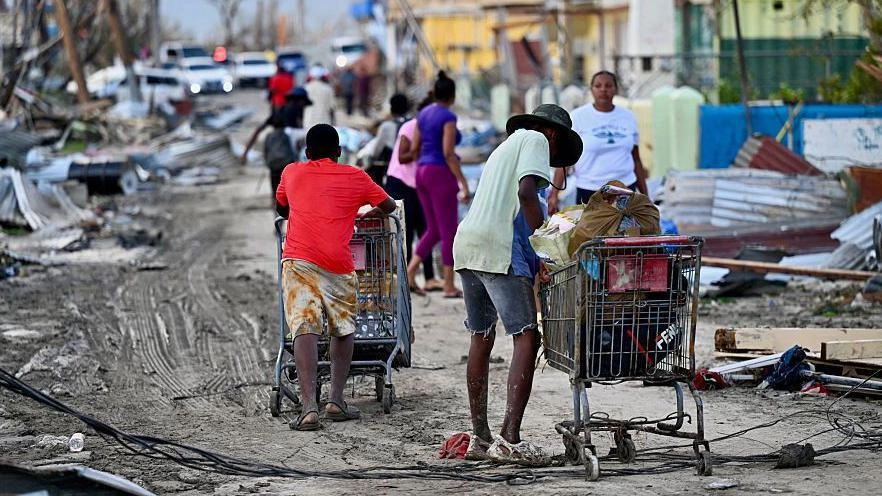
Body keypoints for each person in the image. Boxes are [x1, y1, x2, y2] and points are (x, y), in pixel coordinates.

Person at [453, 103, 582, 464]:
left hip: (468, 244)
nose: (552, 160)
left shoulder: (504, 147)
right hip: (498, 248)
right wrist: (543, 244)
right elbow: (527, 194)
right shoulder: (537, 141)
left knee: (481, 336)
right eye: (557, 153)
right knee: (527, 335)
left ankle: (480, 438)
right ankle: (509, 438)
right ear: (554, 134)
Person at [276, 124, 397, 431]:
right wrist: (364, 213)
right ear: (340, 152)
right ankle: (336, 401)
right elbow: (389, 206)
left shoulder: (291, 172)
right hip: (338, 264)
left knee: (304, 326)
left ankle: (307, 408)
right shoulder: (356, 176)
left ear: (306, 153)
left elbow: (282, 208)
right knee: (343, 329)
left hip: (299, 260)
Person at [548, 70, 648, 214]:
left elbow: (636, 159)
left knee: (624, 234)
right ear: (591, 90)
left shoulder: (628, 117)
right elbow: (567, 160)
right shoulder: (578, 117)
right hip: (589, 191)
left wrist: (646, 196)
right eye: (598, 86)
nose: (603, 90)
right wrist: (554, 195)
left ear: (616, 89)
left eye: (608, 86)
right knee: (589, 235)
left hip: (624, 189)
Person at [406, 71, 469, 298]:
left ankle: (410, 272)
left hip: (422, 171)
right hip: (440, 173)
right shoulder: (448, 118)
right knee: (448, 231)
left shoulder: (423, 114)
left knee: (433, 229)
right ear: (451, 96)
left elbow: (414, 148)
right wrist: (463, 183)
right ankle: (449, 284)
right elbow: (448, 153)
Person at [384, 94, 442, 293]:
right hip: (401, 182)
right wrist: (420, 149)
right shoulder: (410, 127)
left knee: (426, 228)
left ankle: (429, 277)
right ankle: (406, 278)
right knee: (407, 231)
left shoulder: (435, 130)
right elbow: (402, 157)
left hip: (419, 184)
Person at [241, 87, 313, 199]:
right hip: (290, 160)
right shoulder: (298, 110)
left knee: (276, 191)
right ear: (301, 100)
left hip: (274, 159)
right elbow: (299, 137)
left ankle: (276, 213)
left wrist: (245, 152)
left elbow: (258, 130)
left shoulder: (278, 112)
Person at [303, 64, 335, 130]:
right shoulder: (328, 89)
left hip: (309, 123)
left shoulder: (306, 88)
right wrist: (334, 123)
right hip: (324, 123)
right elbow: (332, 108)